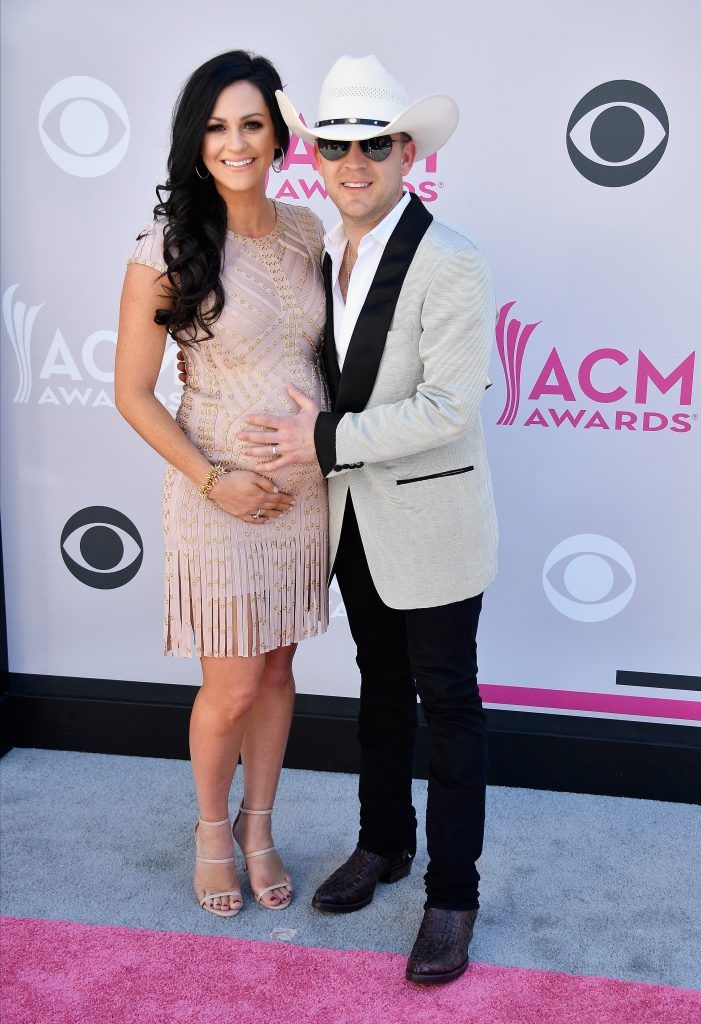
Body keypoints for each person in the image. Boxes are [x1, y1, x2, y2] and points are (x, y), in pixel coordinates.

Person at [238, 55, 498, 983]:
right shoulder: (322, 249)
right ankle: (383, 843)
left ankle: (452, 896)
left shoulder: (452, 258)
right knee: (377, 695)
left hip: (430, 524)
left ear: (407, 153)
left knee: (448, 710)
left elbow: (448, 408)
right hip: (351, 519)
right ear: (315, 153)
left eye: (373, 145)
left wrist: (321, 439)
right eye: (336, 145)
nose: (354, 161)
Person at [115, 50, 329, 918]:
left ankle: (259, 826)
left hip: (305, 492)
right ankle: (211, 829)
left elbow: (322, 355)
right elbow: (131, 394)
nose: (234, 141)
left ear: (278, 133)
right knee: (232, 685)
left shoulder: (309, 231)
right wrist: (216, 482)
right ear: (193, 140)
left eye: (250, 123)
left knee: (278, 673)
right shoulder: (164, 248)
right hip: (219, 496)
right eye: (215, 125)